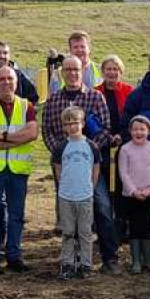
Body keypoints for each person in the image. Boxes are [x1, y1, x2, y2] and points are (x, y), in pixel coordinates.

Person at [42, 56, 119, 274]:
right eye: (67, 69)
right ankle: (70, 259)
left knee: (103, 208)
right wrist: (62, 150)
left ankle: (109, 257)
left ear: (82, 70)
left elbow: (105, 128)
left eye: (76, 69)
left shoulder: (95, 97)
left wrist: (87, 149)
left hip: (90, 167)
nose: (72, 73)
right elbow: (46, 130)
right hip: (65, 169)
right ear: (62, 73)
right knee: (68, 215)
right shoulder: (54, 99)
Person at [0, 66, 39, 275]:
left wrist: (1, 137)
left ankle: (14, 256)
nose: (6, 82)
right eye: (1, 79)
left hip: (18, 170)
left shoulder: (26, 105)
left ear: (16, 82)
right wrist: (14, 140)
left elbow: (31, 133)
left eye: (9, 79)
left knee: (16, 216)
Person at [52, 106, 101, 280]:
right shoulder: (61, 148)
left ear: (83, 124)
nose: (73, 127)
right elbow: (58, 170)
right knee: (67, 232)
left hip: (85, 196)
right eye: (68, 124)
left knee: (85, 232)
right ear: (64, 127)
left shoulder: (91, 146)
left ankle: (86, 265)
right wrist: (64, 186)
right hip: (66, 196)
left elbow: (96, 168)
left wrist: (91, 186)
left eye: (76, 123)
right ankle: (67, 264)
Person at [117, 116, 150, 274]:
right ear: (130, 131)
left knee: (147, 226)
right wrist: (134, 191)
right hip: (131, 196)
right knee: (134, 226)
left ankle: (149, 261)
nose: (139, 132)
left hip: (149, 196)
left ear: (149, 131)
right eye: (135, 129)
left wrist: (149, 189)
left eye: (142, 129)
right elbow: (123, 172)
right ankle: (136, 261)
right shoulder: (125, 149)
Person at [96, 54, 135, 243]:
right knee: (104, 189)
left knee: (122, 187)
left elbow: (133, 117)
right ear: (103, 72)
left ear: (121, 71)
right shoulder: (95, 92)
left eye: (115, 69)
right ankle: (104, 227)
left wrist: (122, 134)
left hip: (125, 145)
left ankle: (122, 227)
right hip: (102, 145)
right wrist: (105, 135)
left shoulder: (129, 91)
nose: (112, 72)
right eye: (108, 69)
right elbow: (91, 118)